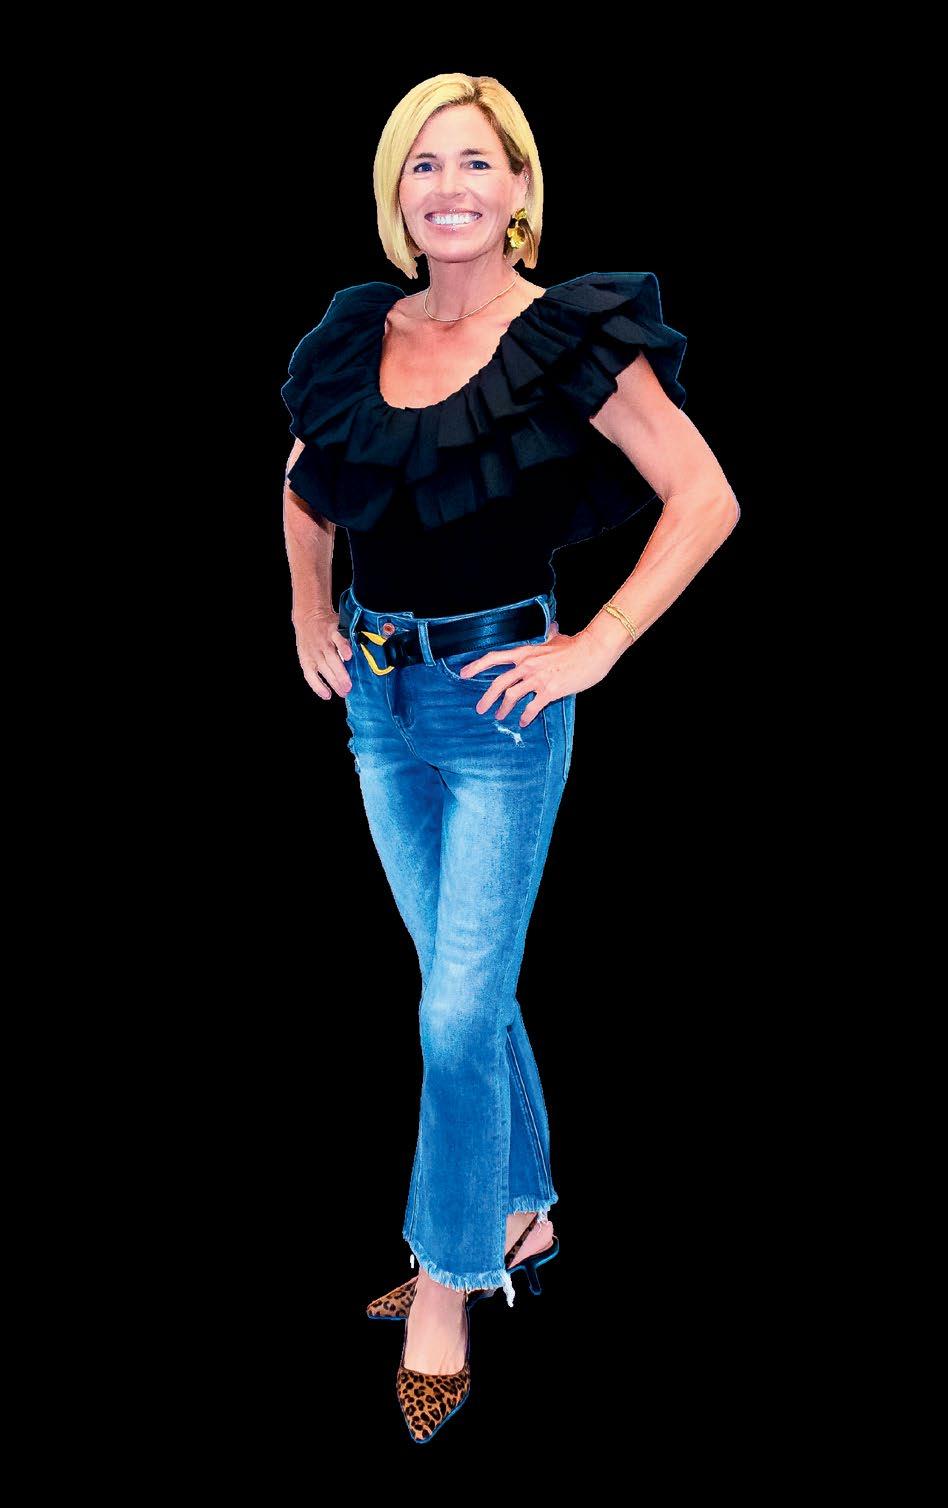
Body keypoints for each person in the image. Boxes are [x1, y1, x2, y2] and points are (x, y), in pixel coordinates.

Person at [281, 72, 740, 1444]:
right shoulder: (360, 331)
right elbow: (306, 482)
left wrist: (597, 645)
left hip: (501, 712)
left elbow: (706, 495)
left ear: (521, 188)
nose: (451, 188)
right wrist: (307, 610)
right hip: (378, 703)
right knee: (461, 992)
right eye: (425, 166)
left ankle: (447, 1278)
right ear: (397, 193)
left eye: (477, 162)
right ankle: (523, 1206)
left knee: (453, 1017)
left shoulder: (566, 338)